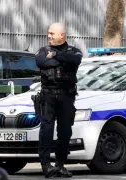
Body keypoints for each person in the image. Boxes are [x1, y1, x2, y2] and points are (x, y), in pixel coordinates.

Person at [34, 22, 83, 178]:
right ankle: (46, 165)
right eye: (48, 33)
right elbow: (41, 61)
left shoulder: (74, 52)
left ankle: (60, 165)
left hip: (66, 96)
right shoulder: (43, 51)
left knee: (64, 131)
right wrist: (61, 60)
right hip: (48, 95)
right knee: (46, 129)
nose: (49, 36)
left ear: (62, 35)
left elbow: (74, 60)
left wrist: (55, 56)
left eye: (52, 34)